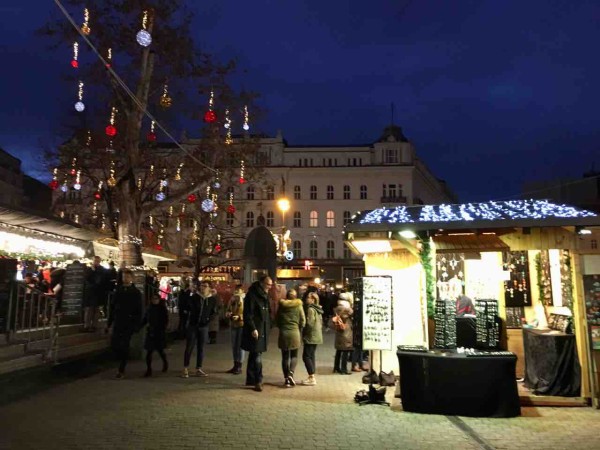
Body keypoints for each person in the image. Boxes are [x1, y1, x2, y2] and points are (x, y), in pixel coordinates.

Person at [106, 269, 143, 379]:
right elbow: (112, 307)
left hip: (129, 321)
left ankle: (121, 369)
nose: (125, 279)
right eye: (123, 277)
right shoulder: (118, 291)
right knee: (116, 343)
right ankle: (119, 361)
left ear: (131, 278)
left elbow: (139, 309)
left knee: (125, 344)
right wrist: (109, 323)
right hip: (118, 320)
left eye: (127, 277)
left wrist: (137, 324)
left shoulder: (136, 292)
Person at [241, 275, 273, 392]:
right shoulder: (253, 295)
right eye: (268, 285)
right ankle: (258, 380)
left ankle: (250, 378)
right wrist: (253, 328)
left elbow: (267, 311)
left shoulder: (264, 295)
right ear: (261, 283)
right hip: (256, 329)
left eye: (270, 285)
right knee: (257, 354)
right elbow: (248, 314)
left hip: (262, 329)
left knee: (254, 353)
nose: (269, 287)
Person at [181, 281, 218, 378]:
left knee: (201, 348)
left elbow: (214, 312)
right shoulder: (194, 297)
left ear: (209, 288)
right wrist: (188, 292)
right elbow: (186, 306)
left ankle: (198, 368)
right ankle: (185, 368)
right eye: (201, 286)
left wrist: (208, 320)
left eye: (205, 286)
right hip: (193, 325)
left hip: (204, 326)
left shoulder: (212, 299)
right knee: (189, 347)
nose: (203, 288)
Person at [276, 289, 306, 387]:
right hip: (295, 332)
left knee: (285, 357)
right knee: (294, 355)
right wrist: (300, 327)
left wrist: (281, 327)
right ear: (295, 296)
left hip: (284, 332)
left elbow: (277, 319)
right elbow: (303, 320)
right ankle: (291, 374)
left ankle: (286, 380)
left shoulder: (282, 305)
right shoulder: (299, 305)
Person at [142, 293, 169, 377]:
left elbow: (165, 320)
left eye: (156, 299)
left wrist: (163, 329)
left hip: (159, 332)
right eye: (153, 299)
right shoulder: (149, 309)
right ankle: (149, 369)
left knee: (160, 350)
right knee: (149, 352)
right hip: (151, 332)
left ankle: (165, 363)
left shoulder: (162, 309)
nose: (154, 300)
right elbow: (145, 319)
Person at [301, 291, 323, 385]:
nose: (306, 299)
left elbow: (309, 324)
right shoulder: (318, 309)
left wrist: (304, 332)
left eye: (308, 298)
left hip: (311, 335)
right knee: (311, 356)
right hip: (317, 335)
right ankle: (311, 376)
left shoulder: (310, 309)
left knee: (306, 356)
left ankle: (311, 377)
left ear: (313, 300)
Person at [83, 256, 109, 332]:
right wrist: (92, 271)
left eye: (97, 261)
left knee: (96, 310)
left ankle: (94, 325)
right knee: (89, 310)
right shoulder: (88, 269)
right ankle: (87, 325)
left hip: (98, 293)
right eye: (95, 261)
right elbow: (86, 279)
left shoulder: (103, 270)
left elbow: (103, 280)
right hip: (90, 293)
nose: (96, 262)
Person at [225, 286, 245, 374]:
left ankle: (239, 366)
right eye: (235, 290)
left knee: (240, 346)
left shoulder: (245, 300)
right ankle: (235, 365)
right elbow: (227, 309)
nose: (236, 292)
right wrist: (228, 313)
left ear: (242, 291)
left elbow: (248, 313)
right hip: (233, 324)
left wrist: (240, 317)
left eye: (238, 290)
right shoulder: (232, 300)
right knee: (234, 345)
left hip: (241, 325)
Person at [331, 294, 353, 375]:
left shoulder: (337, 308)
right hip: (346, 331)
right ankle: (344, 369)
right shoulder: (347, 309)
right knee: (345, 350)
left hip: (339, 330)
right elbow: (352, 313)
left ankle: (336, 367)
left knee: (339, 350)